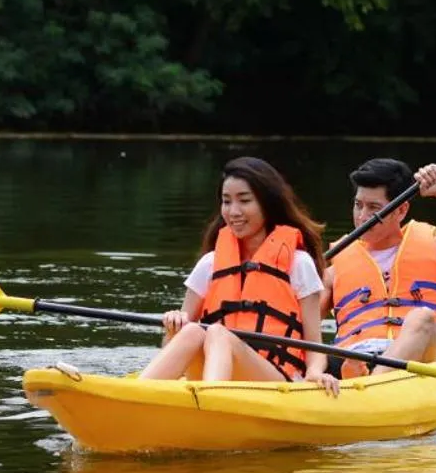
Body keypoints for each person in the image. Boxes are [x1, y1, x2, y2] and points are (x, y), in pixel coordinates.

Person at [136, 157, 335, 387]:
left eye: (244, 201)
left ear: (267, 203)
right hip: (209, 372)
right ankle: (134, 395)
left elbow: (314, 345)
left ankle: (212, 403)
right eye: (226, 201)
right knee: (191, 331)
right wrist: (174, 327)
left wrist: (314, 373)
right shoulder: (209, 264)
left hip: (273, 379)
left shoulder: (299, 264)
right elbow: (171, 347)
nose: (233, 211)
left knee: (218, 334)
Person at [326, 157, 436, 379]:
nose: (362, 217)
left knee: (422, 318)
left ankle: (371, 387)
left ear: (401, 210)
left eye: (374, 208)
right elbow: (295, 319)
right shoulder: (334, 270)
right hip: (354, 359)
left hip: (421, 362)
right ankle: (361, 382)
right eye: (358, 205)